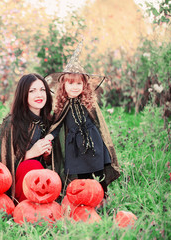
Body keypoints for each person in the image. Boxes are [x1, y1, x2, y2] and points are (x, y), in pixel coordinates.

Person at [44, 40, 120, 202]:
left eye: (79, 83)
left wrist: (104, 144)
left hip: (95, 145)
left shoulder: (89, 103)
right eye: (71, 83)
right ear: (63, 85)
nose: (75, 87)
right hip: (75, 149)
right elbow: (56, 126)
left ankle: (102, 199)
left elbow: (100, 125)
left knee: (98, 173)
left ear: (84, 85)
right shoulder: (61, 106)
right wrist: (50, 137)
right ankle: (85, 200)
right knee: (83, 176)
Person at [0, 73, 53, 204]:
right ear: (23, 95)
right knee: (31, 165)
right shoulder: (12, 123)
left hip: (42, 182)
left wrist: (47, 155)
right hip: (17, 182)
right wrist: (31, 154)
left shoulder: (49, 122)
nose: (39, 95)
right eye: (32, 91)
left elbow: (53, 163)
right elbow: (1, 160)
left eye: (42, 90)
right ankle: (26, 207)